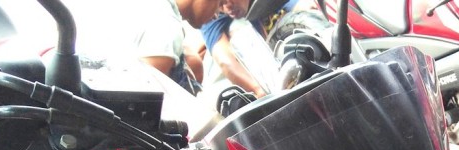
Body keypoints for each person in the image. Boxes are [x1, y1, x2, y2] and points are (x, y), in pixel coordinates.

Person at [71, 0, 221, 94]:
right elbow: (141, 100)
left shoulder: (154, 8)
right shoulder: (166, 27)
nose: (217, 15)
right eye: (220, 2)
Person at [200, 0, 318, 98]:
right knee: (237, 30)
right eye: (220, 4)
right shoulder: (209, 12)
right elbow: (224, 61)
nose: (227, 6)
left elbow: (301, 6)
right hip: (229, 81)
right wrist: (261, 93)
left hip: (292, 33)